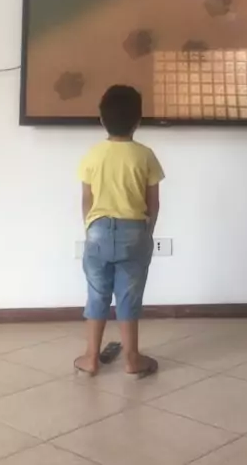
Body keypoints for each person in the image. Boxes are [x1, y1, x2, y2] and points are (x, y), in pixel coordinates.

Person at [74, 84, 164, 377]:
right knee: (129, 296)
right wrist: (147, 232)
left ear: (102, 119)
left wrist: (90, 228)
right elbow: (153, 203)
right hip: (134, 231)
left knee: (97, 293)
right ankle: (132, 359)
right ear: (138, 121)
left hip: (98, 231)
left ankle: (90, 358)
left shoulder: (92, 154)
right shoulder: (145, 155)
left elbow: (86, 200)